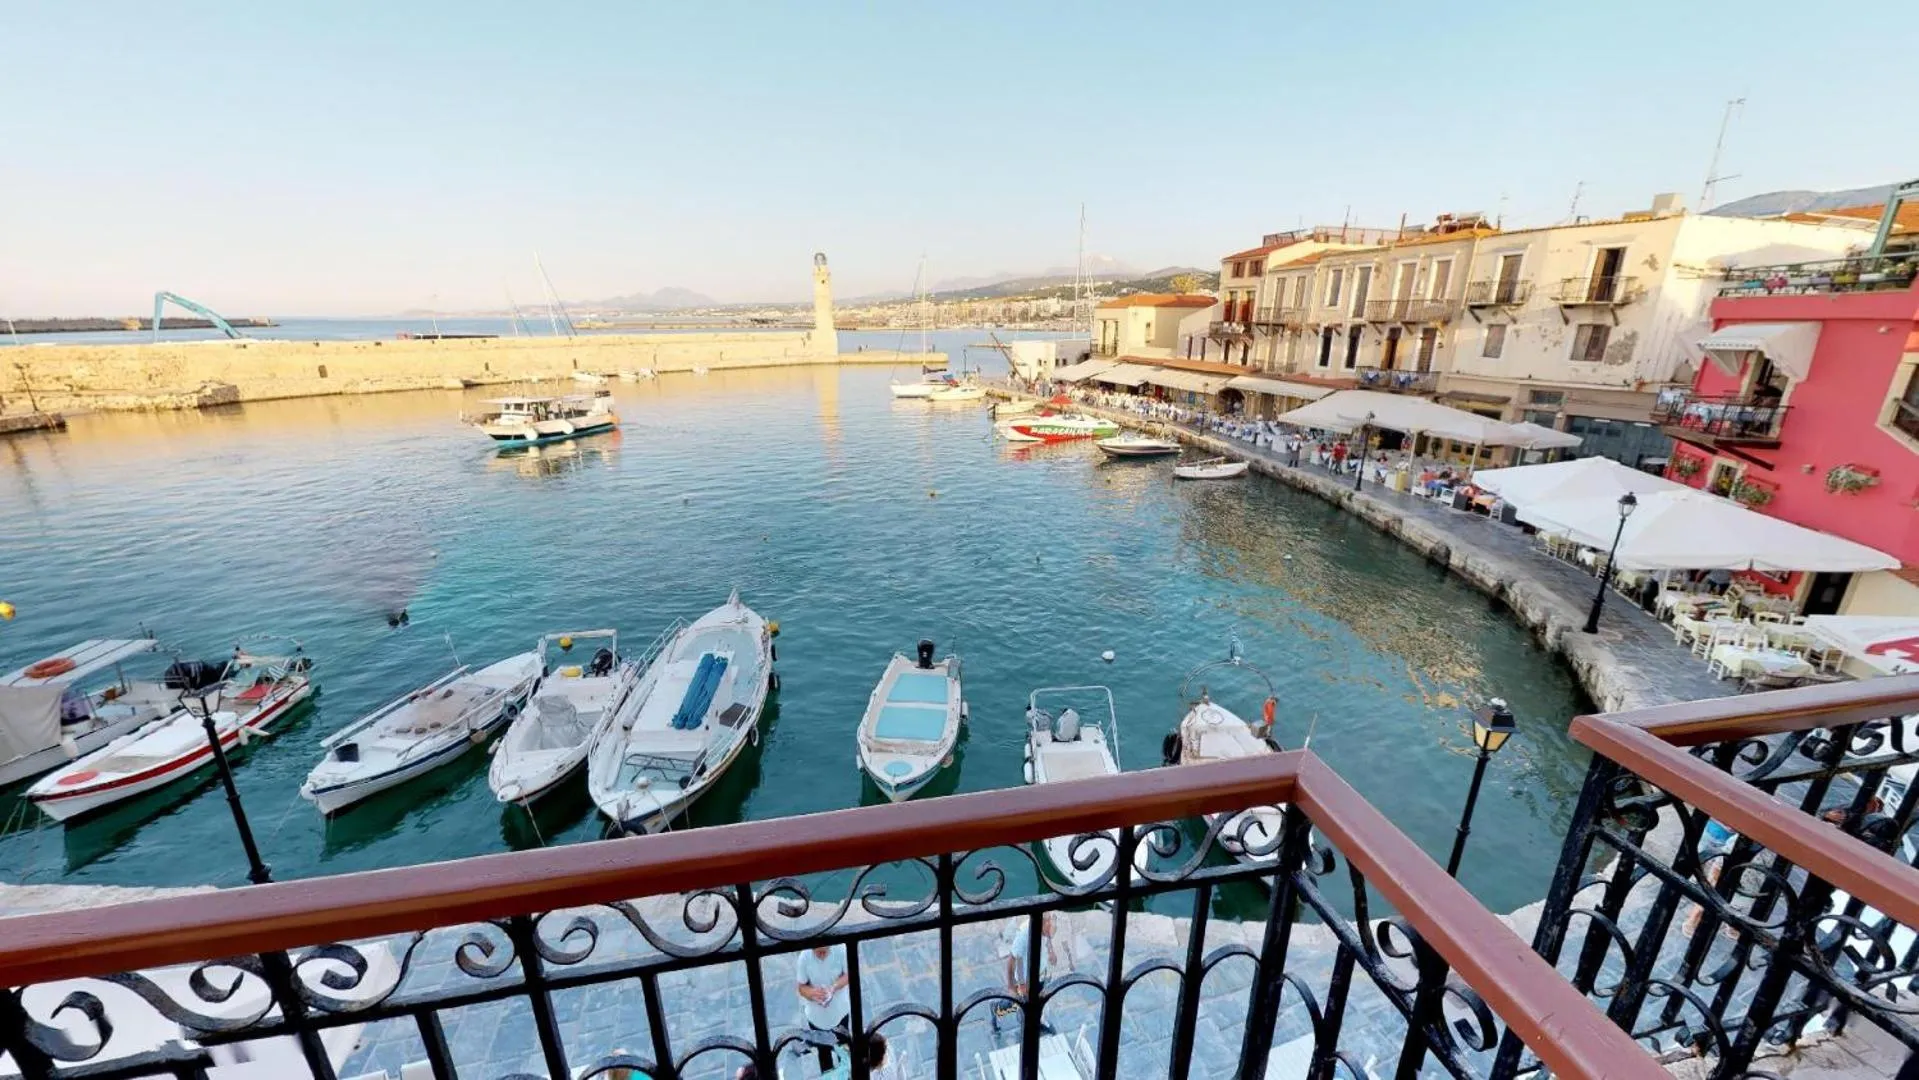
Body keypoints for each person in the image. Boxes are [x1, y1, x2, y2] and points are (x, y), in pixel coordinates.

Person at [993, 913, 1062, 1033]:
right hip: (1026, 979)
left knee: (1039, 1000)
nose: (1050, 932)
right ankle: (997, 1009)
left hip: (1041, 974)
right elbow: (1013, 960)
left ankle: (1039, 1021)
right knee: (1017, 1003)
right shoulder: (1024, 935)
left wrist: (1051, 951)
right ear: (1043, 924)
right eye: (1049, 927)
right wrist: (1018, 984)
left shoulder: (1046, 928)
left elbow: (1048, 938)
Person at [796, 943, 851, 1070]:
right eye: (818, 952)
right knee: (824, 1055)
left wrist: (833, 987)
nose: (821, 954)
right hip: (816, 1019)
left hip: (840, 1014)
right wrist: (812, 993)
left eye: (824, 952)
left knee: (844, 1051)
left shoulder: (841, 949)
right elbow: (801, 987)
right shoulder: (804, 957)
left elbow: (849, 974)